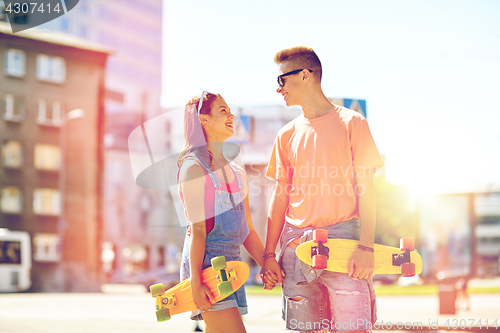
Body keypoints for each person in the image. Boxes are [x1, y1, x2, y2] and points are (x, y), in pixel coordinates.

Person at [261, 46, 384, 333]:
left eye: (282, 80)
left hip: (344, 243)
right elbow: (279, 198)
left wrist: (366, 245)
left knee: (353, 329)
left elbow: (368, 190)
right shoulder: (286, 135)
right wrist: (269, 255)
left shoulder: (352, 123)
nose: (279, 89)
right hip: (295, 246)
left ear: (305, 75)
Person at [177, 91, 266, 333]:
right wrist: (195, 281)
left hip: (232, 265)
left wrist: (266, 264)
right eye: (223, 111)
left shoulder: (238, 172)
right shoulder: (193, 167)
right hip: (206, 265)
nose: (231, 115)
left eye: (230, 110)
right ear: (203, 119)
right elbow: (196, 229)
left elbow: (246, 228)